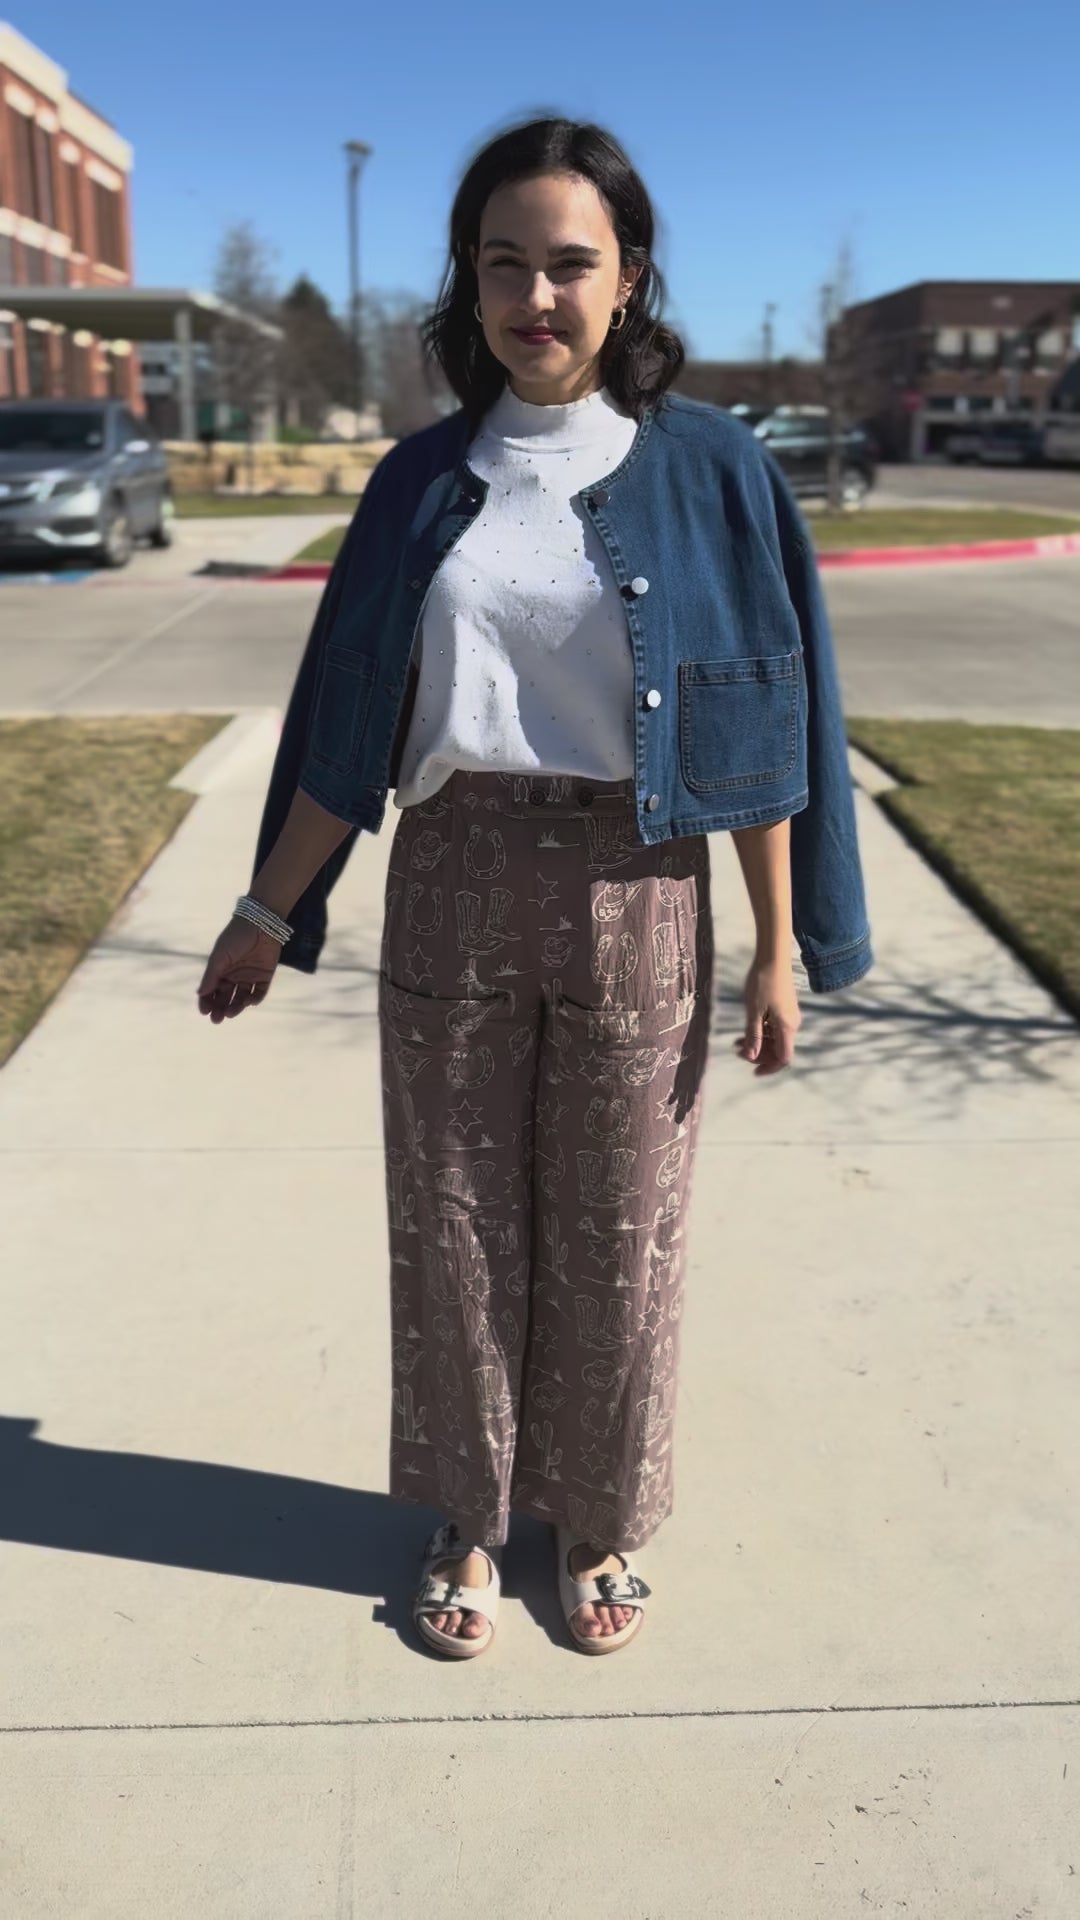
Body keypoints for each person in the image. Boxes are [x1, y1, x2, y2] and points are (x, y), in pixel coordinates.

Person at [196, 115, 873, 1659]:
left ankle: (603, 1513)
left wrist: (781, 949)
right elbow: (346, 720)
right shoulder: (421, 481)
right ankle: (468, 1513)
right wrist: (265, 910)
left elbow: (763, 725)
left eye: (570, 262)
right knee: (455, 1226)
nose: (538, 296)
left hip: (643, 890)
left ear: (628, 277)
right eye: (505, 263)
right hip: (453, 881)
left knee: (624, 1228)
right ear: (471, 284)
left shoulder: (712, 471)